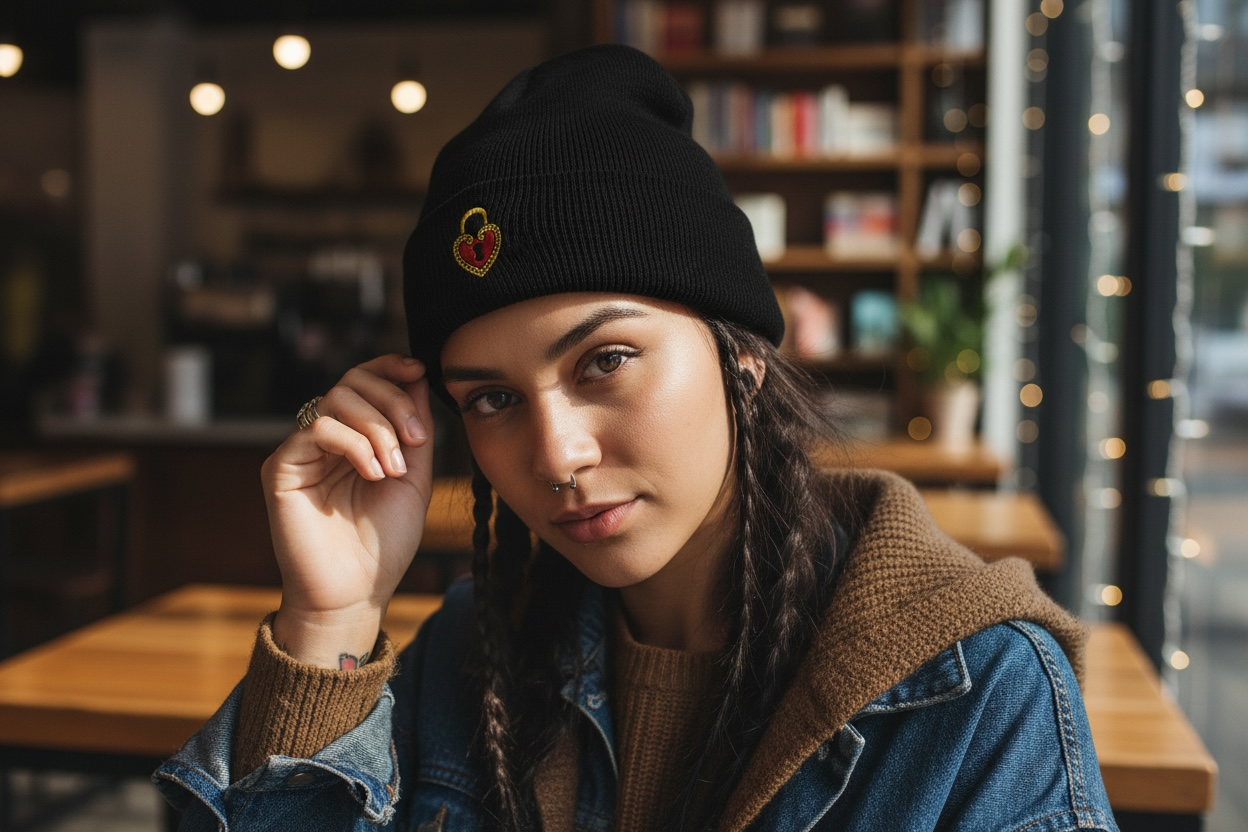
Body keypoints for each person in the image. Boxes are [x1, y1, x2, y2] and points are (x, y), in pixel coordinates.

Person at [154, 45, 1119, 832]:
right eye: (490, 399)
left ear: (739, 352)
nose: (559, 455)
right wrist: (330, 621)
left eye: (605, 361)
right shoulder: (470, 652)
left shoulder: (978, 697)